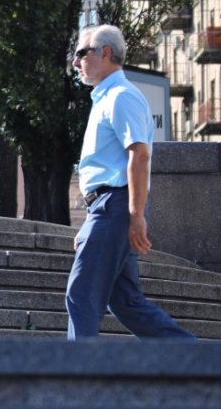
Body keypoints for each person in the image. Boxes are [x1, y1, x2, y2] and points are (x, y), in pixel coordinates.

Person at [65, 24, 196, 341]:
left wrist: (135, 216)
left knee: (81, 295)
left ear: (105, 53)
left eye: (82, 53)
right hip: (108, 207)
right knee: (125, 302)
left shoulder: (121, 96)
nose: (76, 62)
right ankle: (196, 358)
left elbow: (139, 156)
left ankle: (77, 379)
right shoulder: (107, 98)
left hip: (116, 206)